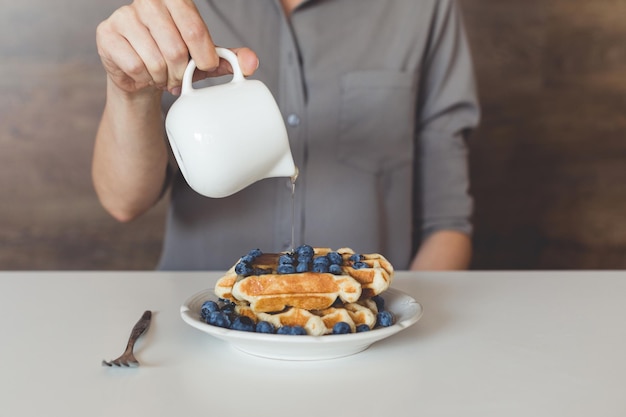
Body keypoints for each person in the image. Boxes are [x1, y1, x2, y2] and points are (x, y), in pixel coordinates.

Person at [92, 0, 480, 271]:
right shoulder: (173, 11)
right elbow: (124, 202)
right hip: (194, 331)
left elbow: (447, 224)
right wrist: (130, 90)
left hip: (360, 342)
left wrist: (396, 325)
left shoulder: (423, 8)